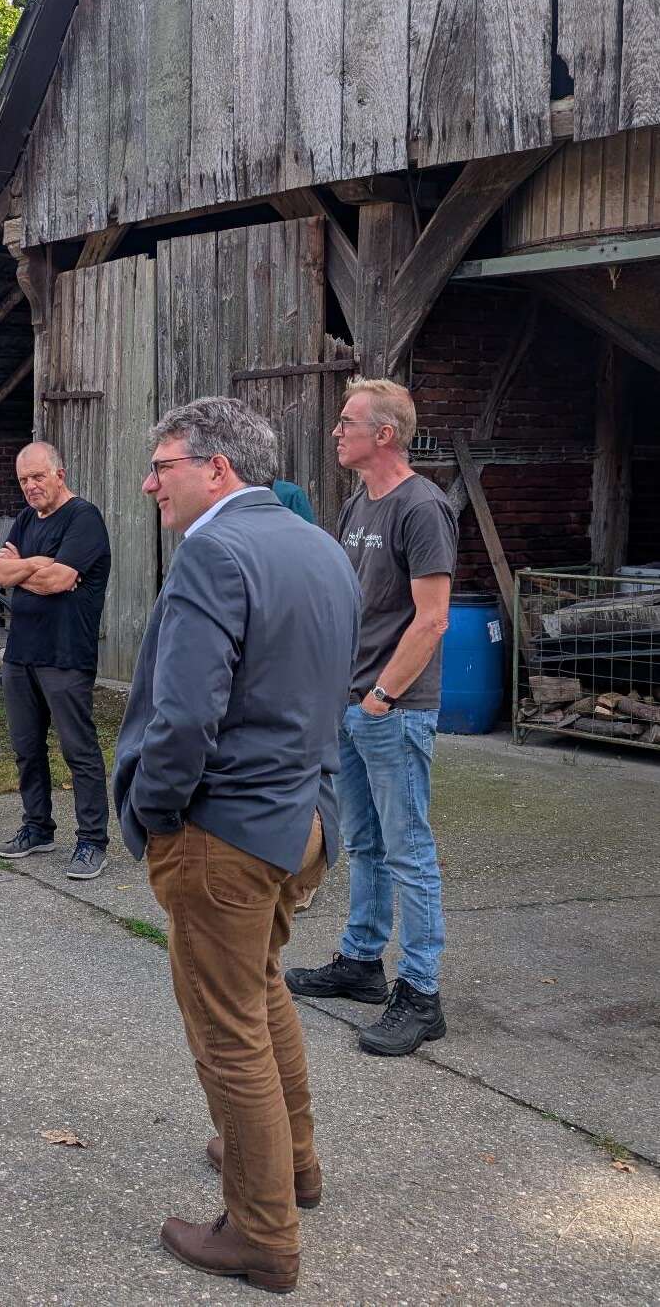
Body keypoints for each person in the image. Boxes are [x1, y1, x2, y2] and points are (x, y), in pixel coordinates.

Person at [113, 396, 359, 1295]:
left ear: (216, 468)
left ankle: (261, 1234)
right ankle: (292, 1166)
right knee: (260, 991)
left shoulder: (214, 552)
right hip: (302, 819)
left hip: (226, 829)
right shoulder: (319, 545)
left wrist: (156, 813)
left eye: (161, 466)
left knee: (228, 1035)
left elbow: (184, 717)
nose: (150, 484)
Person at [286, 378, 457, 1056]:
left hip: (394, 709)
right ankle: (361, 961)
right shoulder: (359, 502)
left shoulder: (423, 507)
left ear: (384, 435)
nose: (336, 431)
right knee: (362, 842)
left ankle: (421, 993)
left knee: (408, 849)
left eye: (347, 421)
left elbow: (433, 619)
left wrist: (382, 696)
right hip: (350, 702)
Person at [0, 442, 113, 880]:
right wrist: (37, 563)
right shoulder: (26, 519)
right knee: (26, 748)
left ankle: (92, 840)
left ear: (60, 474)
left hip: (66, 654)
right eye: (23, 480)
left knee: (78, 750)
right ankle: (37, 827)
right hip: (21, 654)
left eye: (38, 476)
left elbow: (59, 581)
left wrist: (24, 567)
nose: (31, 486)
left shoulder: (84, 518)